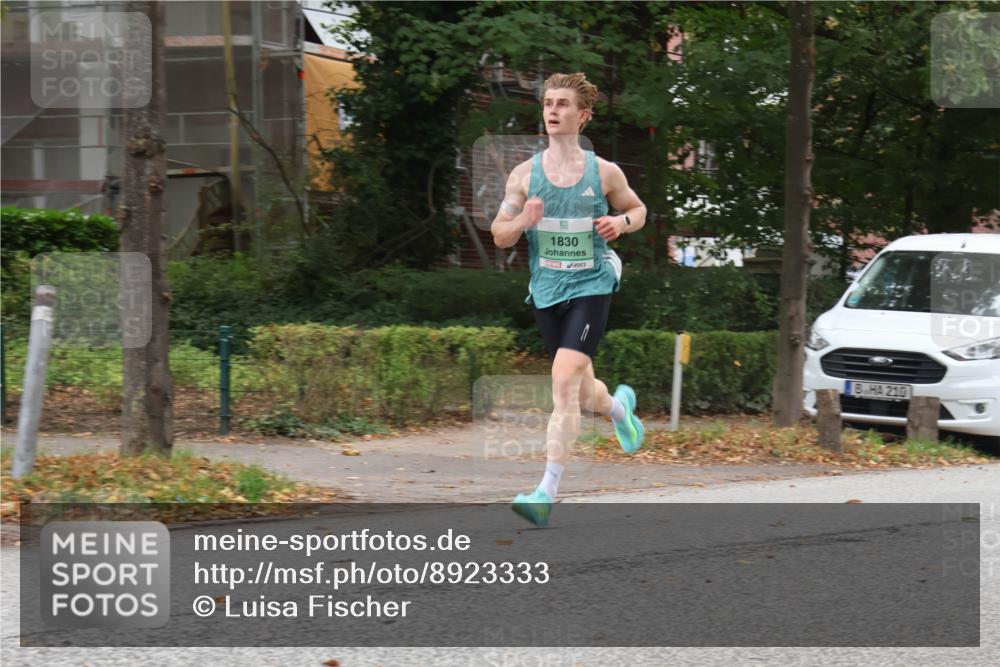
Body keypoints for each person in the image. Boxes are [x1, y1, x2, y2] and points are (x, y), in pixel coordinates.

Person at [490, 72, 647, 526]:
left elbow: (638, 210)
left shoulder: (604, 172)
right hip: (547, 290)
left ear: (583, 116)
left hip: (592, 285)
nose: (553, 111)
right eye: (548, 103)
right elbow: (499, 234)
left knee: (562, 383)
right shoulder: (524, 176)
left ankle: (545, 492)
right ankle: (620, 410)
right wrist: (523, 221)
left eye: (562, 104)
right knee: (581, 390)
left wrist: (621, 224)